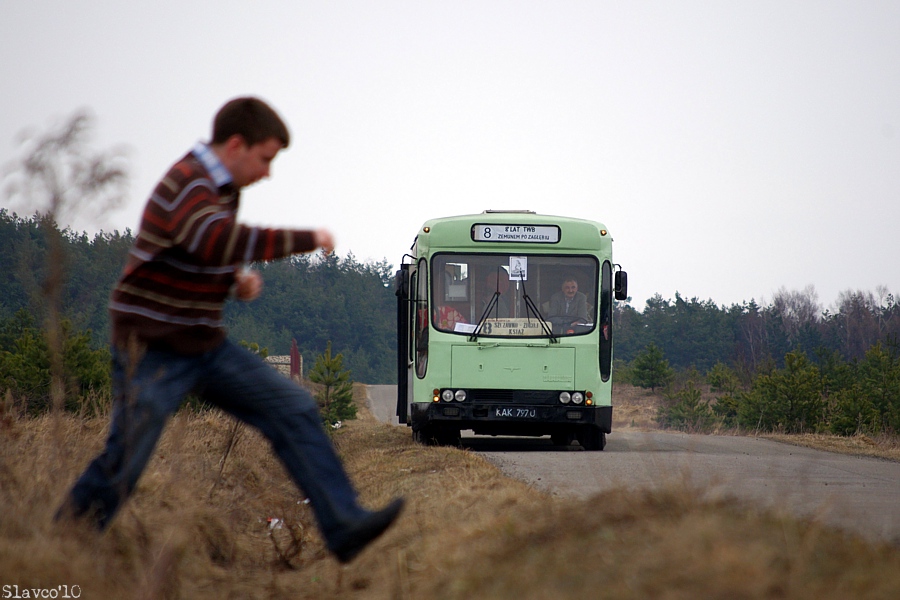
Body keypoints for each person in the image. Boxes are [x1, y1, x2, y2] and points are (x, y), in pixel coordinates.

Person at [54, 97, 403, 563]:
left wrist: (231, 280)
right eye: (265, 159)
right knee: (126, 458)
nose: (267, 172)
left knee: (294, 406)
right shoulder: (188, 183)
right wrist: (306, 239)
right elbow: (217, 239)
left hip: (202, 344)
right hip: (151, 346)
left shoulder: (220, 189)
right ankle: (61, 548)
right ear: (236, 145)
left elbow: (199, 250)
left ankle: (344, 525)